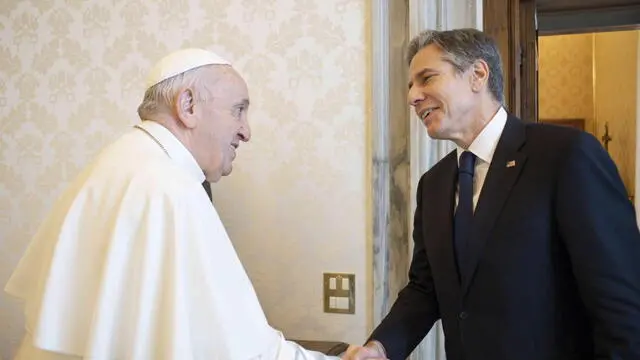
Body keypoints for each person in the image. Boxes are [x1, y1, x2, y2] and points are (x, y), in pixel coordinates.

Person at [4, 48, 360, 360]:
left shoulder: (120, 161)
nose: (246, 131)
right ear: (188, 106)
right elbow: (239, 348)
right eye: (238, 111)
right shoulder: (169, 188)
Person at [345, 28, 640, 360]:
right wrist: (379, 347)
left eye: (426, 78)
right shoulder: (434, 184)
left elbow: (621, 305)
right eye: (411, 85)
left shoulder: (566, 155)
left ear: (477, 75)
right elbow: (425, 289)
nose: (412, 96)